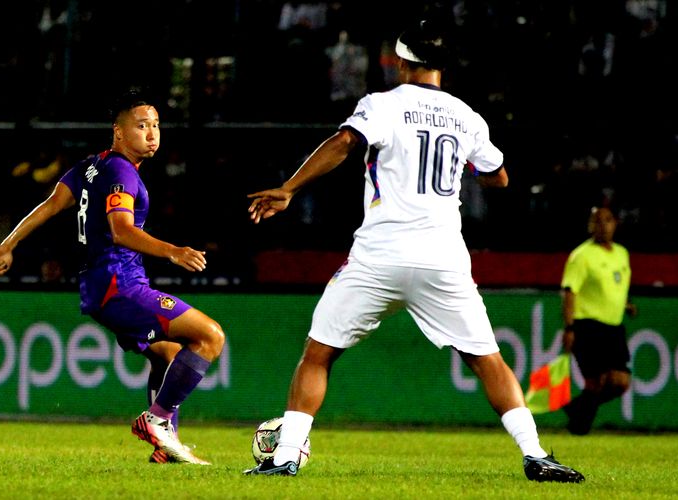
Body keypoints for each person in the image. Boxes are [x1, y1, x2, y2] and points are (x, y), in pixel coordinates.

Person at [243, 20, 584, 483]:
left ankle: (285, 457)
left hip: (379, 256)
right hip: (442, 258)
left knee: (318, 354)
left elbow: (345, 142)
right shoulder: (468, 118)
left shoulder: (384, 105)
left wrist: (289, 188)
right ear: (443, 65)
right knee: (488, 361)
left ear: (400, 61)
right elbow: (499, 176)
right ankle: (536, 454)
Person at [0, 89, 225, 465]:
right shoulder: (120, 171)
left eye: (156, 126)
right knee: (210, 336)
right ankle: (157, 421)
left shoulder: (91, 166)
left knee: (167, 356)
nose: (152, 133)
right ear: (118, 131)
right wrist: (174, 251)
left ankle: (166, 448)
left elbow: (51, 205)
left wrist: (7, 244)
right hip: (121, 285)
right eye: (142, 126)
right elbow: (122, 231)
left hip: (101, 288)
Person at [561, 206, 635, 435]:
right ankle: (579, 428)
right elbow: (569, 291)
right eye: (597, 221)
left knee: (620, 382)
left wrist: (626, 304)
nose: (602, 225)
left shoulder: (621, 253)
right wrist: (570, 327)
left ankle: (576, 409)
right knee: (596, 381)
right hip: (587, 325)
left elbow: (614, 286)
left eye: (607, 220)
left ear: (615, 224)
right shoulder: (581, 256)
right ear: (590, 226)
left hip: (614, 327)